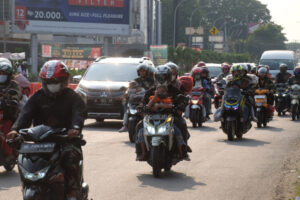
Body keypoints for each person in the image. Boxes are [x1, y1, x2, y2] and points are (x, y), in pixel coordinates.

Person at [7, 60, 86, 200]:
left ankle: (73, 190)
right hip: (40, 142)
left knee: (71, 155)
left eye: (55, 81)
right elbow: (25, 114)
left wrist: (74, 129)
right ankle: (27, 184)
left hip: (65, 141)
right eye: (48, 82)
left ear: (65, 80)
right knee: (23, 158)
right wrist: (15, 130)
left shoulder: (74, 98)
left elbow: (78, 116)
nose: (52, 85)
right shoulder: (38, 96)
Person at [136, 65, 189, 161]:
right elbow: (143, 102)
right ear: (155, 77)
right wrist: (141, 107)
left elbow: (183, 99)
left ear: (168, 77)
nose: (161, 79)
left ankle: (183, 150)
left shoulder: (174, 90)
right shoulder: (151, 91)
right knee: (139, 126)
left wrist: (181, 106)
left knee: (182, 123)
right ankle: (140, 152)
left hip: (171, 117)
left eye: (163, 77)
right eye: (159, 77)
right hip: (151, 117)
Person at [119, 63, 154, 132]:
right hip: (136, 99)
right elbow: (129, 88)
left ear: (147, 72)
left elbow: (154, 89)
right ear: (138, 72)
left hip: (146, 100)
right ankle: (125, 125)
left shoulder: (151, 81)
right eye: (140, 71)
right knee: (127, 110)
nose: (142, 72)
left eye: (143, 71)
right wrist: (126, 93)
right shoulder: (135, 80)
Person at [0, 58, 22, 162]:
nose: (1, 75)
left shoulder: (14, 84)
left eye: (3, 73)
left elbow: (17, 95)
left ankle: (9, 153)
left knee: (7, 130)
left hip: (9, 113)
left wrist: (13, 100)